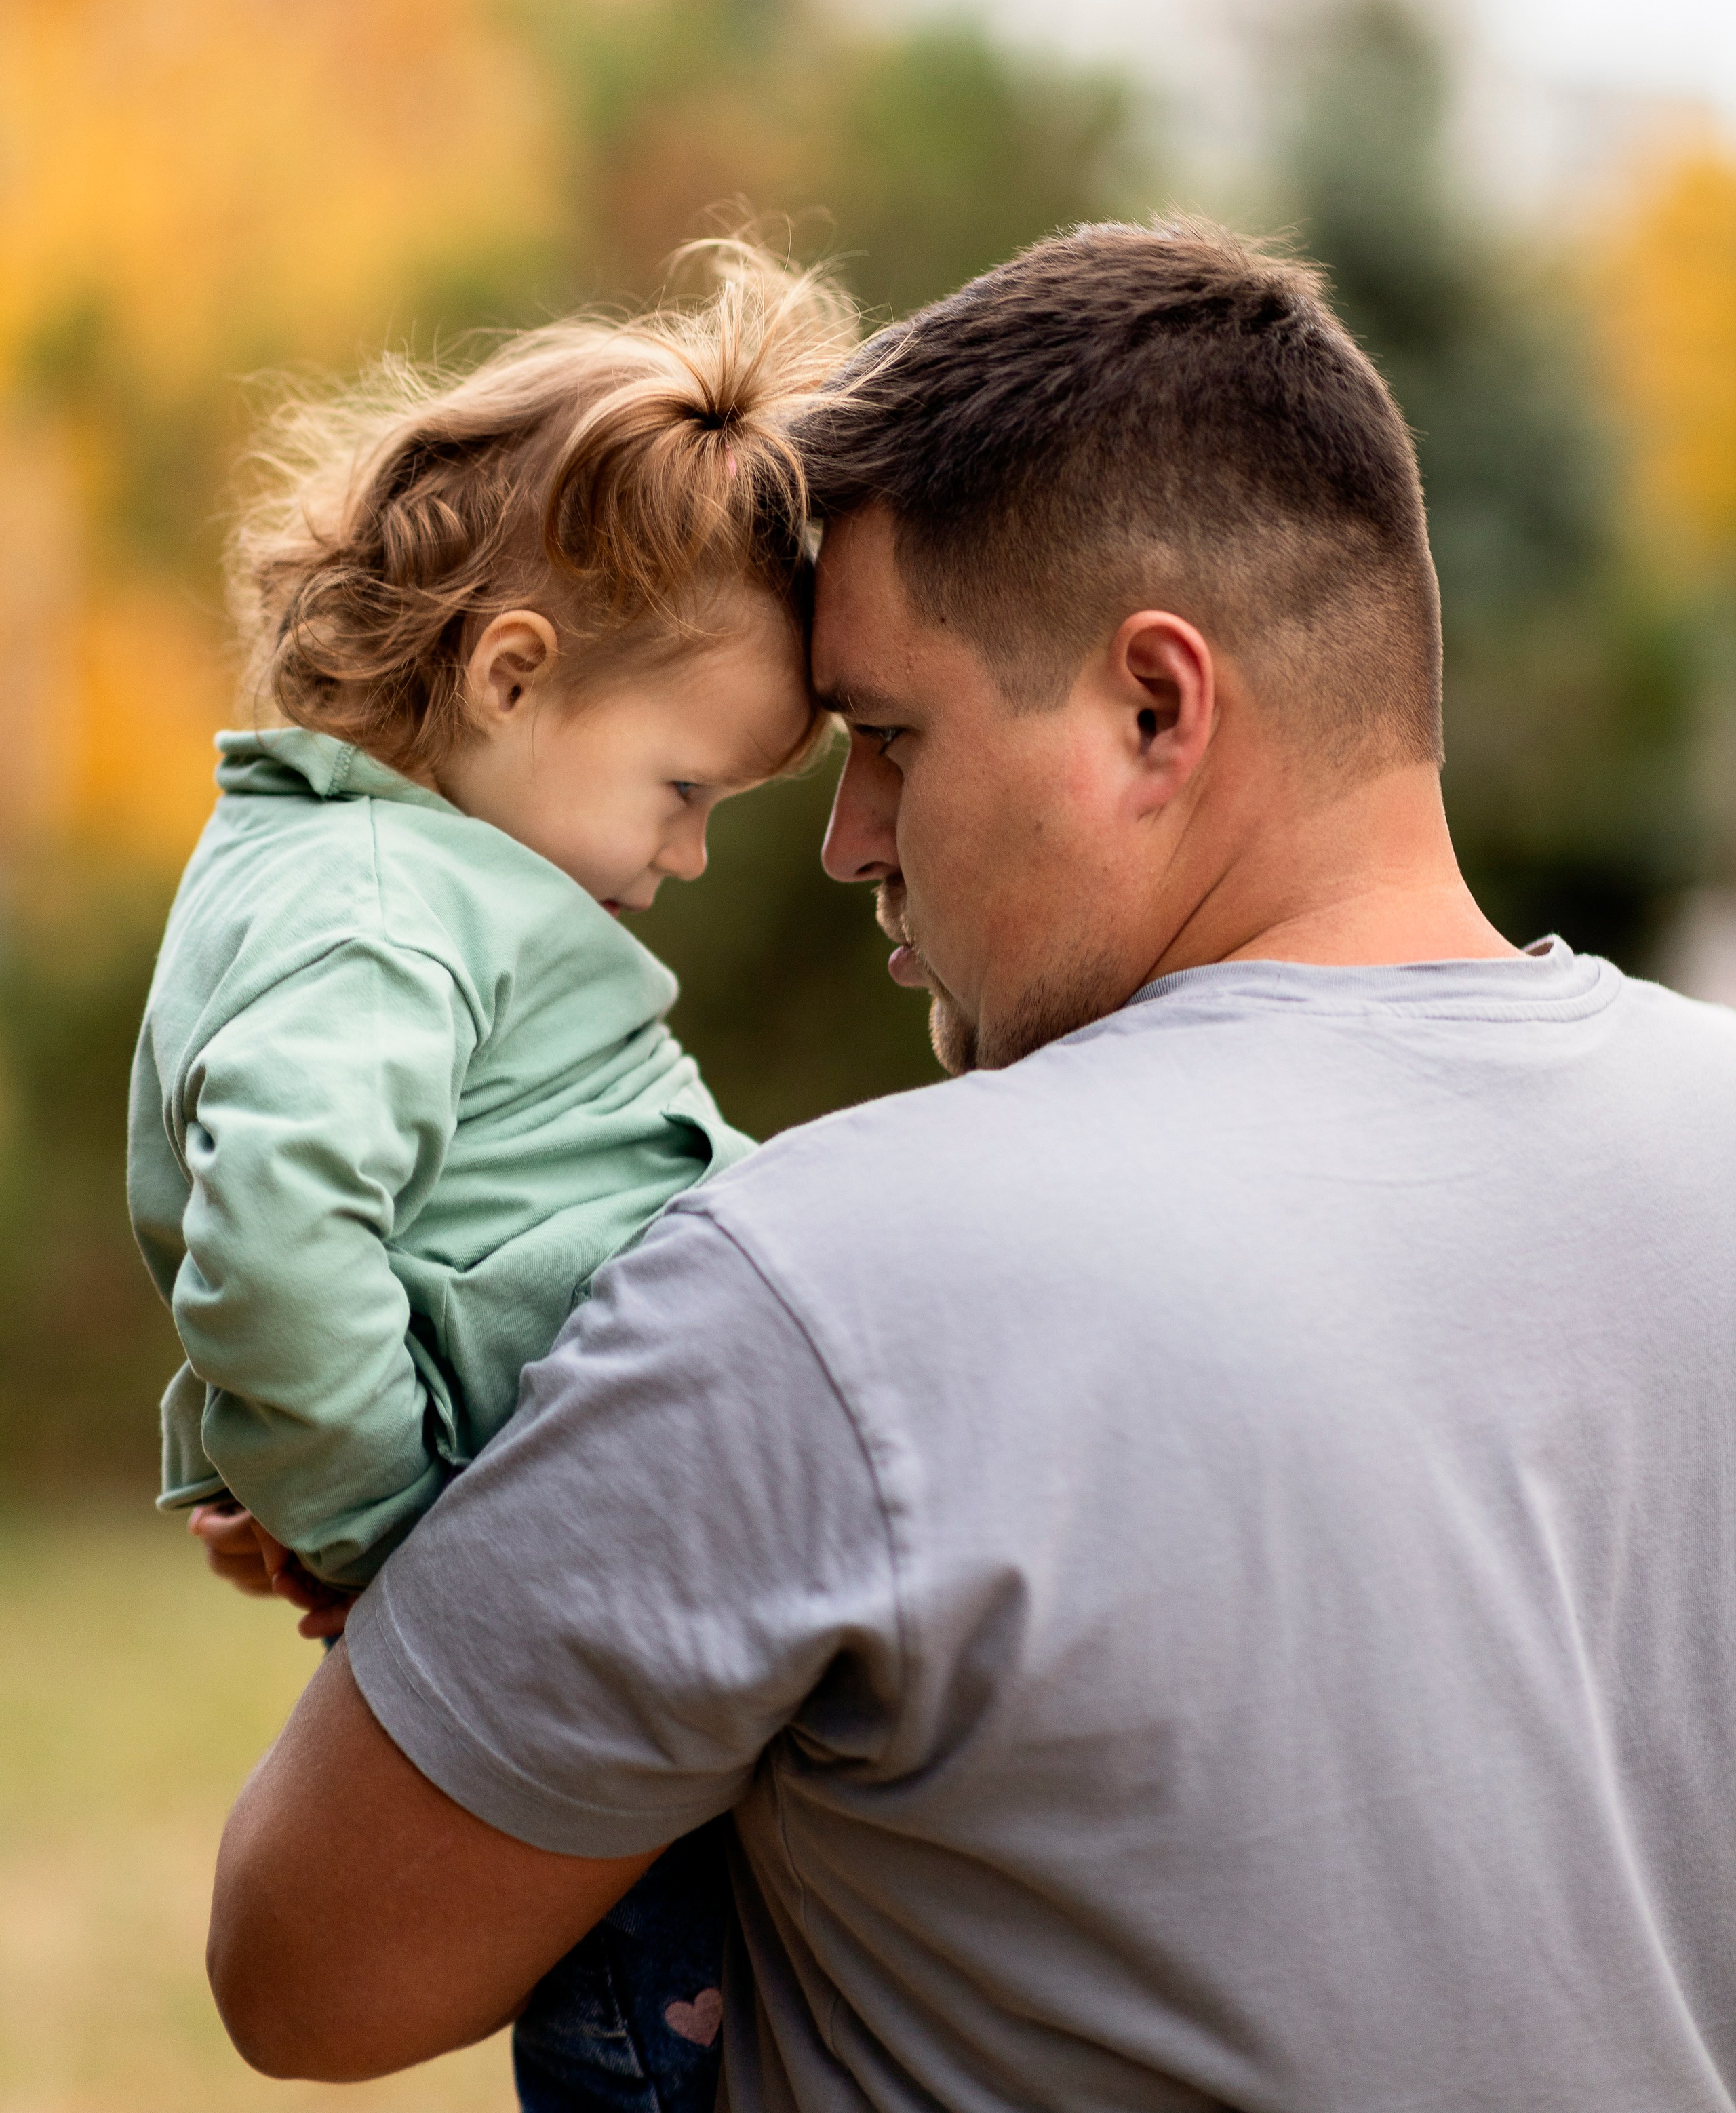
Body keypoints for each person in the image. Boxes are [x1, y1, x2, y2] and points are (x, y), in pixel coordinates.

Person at [206, 220, 1736, 2112]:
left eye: (889, 738)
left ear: (1156, 709)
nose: (848, 840)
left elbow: (306, 1973)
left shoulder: (818, 1290)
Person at [129, 241, 853, 2113]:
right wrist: (394, 1534)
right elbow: (276, 1236)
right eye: (685, 791)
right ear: (513, 673)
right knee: (670, 2015)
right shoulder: (385, 910)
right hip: (581, 1591)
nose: (690, 856)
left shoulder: (369, 877)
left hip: (622, 1543)